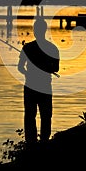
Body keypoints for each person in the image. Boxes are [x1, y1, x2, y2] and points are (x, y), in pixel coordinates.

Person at [18, 17, 60, 145]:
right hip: (43, 86)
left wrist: (27, 73)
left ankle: (32, 143)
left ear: (35, 31)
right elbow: (56, 68)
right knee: (45, 116)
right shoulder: (52, 48)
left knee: (31, 115)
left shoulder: (28, 48)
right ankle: (43, 142)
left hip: (32, 85)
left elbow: (20, 67)